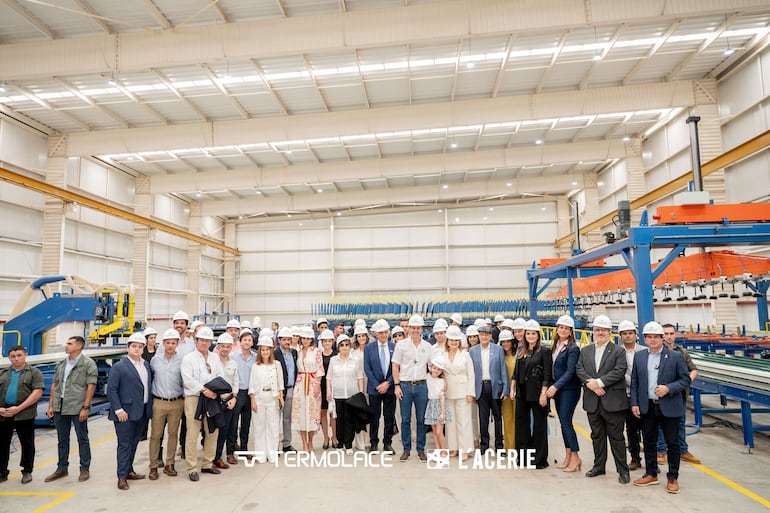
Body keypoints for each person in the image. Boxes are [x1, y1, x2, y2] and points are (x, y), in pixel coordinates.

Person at [631, 321, 691, 494]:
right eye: (649, 337)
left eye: (656, 337)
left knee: (672, 443)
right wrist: (635, 403)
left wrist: (668, 388)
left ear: (662, 338)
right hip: (647, 406)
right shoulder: (640, 356)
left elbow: (685, 380)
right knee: (649, 441)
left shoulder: (675, 357)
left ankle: (673, 477)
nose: (652, 340)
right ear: (644, 338)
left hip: (669, 406)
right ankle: (651, 473)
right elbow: (635, 382)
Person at [576, 315, 630, 484]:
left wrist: (599, 382)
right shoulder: (585, 351)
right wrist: (590, 384)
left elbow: (619, 370)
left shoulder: (618, 351)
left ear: (610, 332)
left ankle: (623, 471)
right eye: (597, 330)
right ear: (593, 331)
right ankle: (599, 466)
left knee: (617, 438)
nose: (600, 333)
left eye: (603, 330)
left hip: (613, 401)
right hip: (593, 402)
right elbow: (579, 369)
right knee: (597, 436)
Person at [45, 336, 98, 483]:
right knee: (62, 440)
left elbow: (91, 386)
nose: (66, 346)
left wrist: (85, 407)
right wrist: (51, 405)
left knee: (82, 438)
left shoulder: (88, 364)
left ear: (79, 346)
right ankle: (62, 468)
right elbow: (55, 385)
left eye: (69, 343)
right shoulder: (62, 364)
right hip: (60, 406)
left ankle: (84, 468)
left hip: (77, 406)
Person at [107, 332, 153, 490]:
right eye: (134, 346)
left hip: (141, 412)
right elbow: (112, 390)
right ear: (127, 348)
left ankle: (129, 470)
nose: (137, 349)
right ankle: (121, 477)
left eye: (140, 347)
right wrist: (119, 409)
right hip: (124, 413)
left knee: (133, 443)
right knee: (124, 445)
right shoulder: (119, 367)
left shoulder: (146, 365)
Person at [180, 326, 224, 481]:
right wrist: (204, 390)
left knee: (212, 431)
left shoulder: (214, 358)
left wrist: (213, 391)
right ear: (196, 340)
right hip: (194, 399)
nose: (204, 343)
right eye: (202, 340)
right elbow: (187, 379)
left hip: (212, 398)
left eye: (207, 340)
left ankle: (207, 464)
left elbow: (219, 375)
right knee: (192, 432)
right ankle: (192, 468)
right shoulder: (188, 359)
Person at [657, 323, 701, 465]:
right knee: (660, 423)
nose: (668, 337)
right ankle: (661, 451)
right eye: (665, 334)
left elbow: (693, 369)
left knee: (680, 423)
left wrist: (687, 380)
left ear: (675, 335)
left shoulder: (681, 352)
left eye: (671, 333)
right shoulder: (656, 352)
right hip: (662, 394)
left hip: (678, 395)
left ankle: (683, 450)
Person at [0, 346, 44, 484]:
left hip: (24, 413)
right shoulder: (2, 373)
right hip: (3, 413)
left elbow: (37, 393)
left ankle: (27, 471)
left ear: (25, 355)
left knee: (27, 443)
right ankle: (2, 471)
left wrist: (19, 408)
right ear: (9, 358)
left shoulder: (34, 372)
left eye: (19, 355)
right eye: (13, 356)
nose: (16, 358)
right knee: (1, 444)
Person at [512, 319, 552, 468]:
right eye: (528, 333)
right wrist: (513, 389)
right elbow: (516, 372)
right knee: (521, 425)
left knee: (539, 426)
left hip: (537, 393)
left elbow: (548, 375)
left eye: (533, 333)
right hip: (522, 392)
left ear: (538, 334)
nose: (530, 336)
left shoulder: (545, 351)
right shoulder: (522, 350)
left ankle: (539, 459)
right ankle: (523, 457)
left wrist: (544, 393)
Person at [392, 314, 432, 462]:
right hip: (405, 386)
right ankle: (406, 449)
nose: (415, 330)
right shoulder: (401, 345)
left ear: (422, 329)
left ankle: (421, 449)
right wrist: (397, 385)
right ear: (408, 328)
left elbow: (432, 367)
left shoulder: (427, 347)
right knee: (405, 419)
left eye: (418, 328)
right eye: (413, 327)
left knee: (422, 419)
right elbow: (395, 366)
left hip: (422, 386)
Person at [546, 315, 582, 472]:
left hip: (569, 390)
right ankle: (568, 456)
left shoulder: (573, 348)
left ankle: (575, 457)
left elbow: (570, 372)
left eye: (566, 328)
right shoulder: (556, 345)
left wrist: (555, 386)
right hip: (559, 390)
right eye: (560, 327)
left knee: (567, 423)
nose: (563, 330)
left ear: (571, 331)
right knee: (563, 423)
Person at [470, 324, 510, 453]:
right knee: (483, 418)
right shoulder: (473, 351)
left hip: (495, 387)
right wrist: (471, 391)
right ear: (478, 336)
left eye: (486, 334)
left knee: (498, 417)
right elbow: (470, 373)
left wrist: (505, 389)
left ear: (491, 336)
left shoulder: (498, 349)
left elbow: (503, 369)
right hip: (481, 387)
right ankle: (484, 444)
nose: (484, 337)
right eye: (481, 334)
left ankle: (499, 445)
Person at [326, 334, 364, 454]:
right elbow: (329, 378)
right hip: (338, 395)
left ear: (350, 346)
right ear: (338, 347)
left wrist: (361, 393)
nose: (344, 347)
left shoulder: (355, 360)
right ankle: (340, 444)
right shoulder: (333, 360)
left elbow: (360, 377)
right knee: (339, 420)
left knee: (350, 420)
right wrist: (329, 391)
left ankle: (348, 445)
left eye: (347, 344)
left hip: (352, 395)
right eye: (342, 345)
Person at [249, 336, 284, 463]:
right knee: (259, 427)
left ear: (271, 351)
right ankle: (260, 454)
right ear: (260, 351)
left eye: (267, 349)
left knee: (273, 426)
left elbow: (280, 383)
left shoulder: (277, 365)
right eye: (263, 350)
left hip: (272, 398)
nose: (265, 352)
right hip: (259, 398)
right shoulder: (255, 366)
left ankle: (272, 453)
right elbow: (251, 385)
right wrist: (253, 400)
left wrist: (281, 399)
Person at [364, 319, 396, 454]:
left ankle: (387, 443)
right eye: (381, 332)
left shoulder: (394, 347)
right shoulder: (369, 348)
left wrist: (388, 382)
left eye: (385, 332)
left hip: (390, 388)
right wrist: (378, 385)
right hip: (374, 388)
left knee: (389, 417)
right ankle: (374, 443)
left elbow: (397, 368)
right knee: (374, 417)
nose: (383, 335)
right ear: (376, 334)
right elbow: (367, 368)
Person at [442, 325, 475, 459]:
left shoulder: (465, 355)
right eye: (451, 340)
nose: (454, 342)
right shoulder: (442, 355)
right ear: (447, 341)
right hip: (449, 392)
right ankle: (454, 448)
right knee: (451, 422)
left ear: (459, 341)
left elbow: (471, 374)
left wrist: (470, 393)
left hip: (463, 392)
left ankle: (465, 449)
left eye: (456, 340)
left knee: (464, 421)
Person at [618, 320, 645, 471]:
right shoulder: (617, 352)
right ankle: (635, 458)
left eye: (630, 333)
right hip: (626, 396)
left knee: (648, 429)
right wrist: (633, 384)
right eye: (625, 334)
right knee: (631, 429)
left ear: (636, 335)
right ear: (620, 336)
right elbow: (618, 373)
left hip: (644, 395)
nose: (628, 336)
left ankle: (651, 459)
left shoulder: (644, 351)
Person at [292, 326, 324, 451]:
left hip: (312, 384)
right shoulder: (297, 351)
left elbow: (320, 369)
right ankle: (304, 443)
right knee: (300, 414)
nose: (305, 340)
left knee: (312, 414)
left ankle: (310, 441)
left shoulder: (316, 351)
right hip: (300, 385)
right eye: (303, 338)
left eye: (308, 338)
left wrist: (317, 385)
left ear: (312, 339)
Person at [213, 333, 238, 469]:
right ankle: (212, 457)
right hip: (215, 401)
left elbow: (236, 381)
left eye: (228, 347)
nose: (225, 349)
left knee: (225, 430)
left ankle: (218, 457)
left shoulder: (233, 363)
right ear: (219, 346)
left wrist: (234, 397)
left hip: (228, 401)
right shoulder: (212, 361)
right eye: (223, 346)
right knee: (212, 431)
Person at [229, 328, 256, 456]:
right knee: (233, 423)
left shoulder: (256, 357)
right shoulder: (233, 356)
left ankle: (244, 449)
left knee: (246, 423)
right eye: (244, 340)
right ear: (240, 342)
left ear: (252, 342)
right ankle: (231, 449)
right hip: (237, 393)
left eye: (249, 340)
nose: (247, 342)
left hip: (249, 393)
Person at [274, 327, 298, 452]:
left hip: (290, 389)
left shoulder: (294, 353)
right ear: (279, 340)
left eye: (289, 339)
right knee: (275, 418)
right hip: (278, 391)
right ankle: (275, 445)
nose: (287, 342)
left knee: (287, 418)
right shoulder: (275, 354)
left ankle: (287, 444)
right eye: (284, 339)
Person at [425, 359, 451, 455]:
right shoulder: (427, 377)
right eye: (434, 368)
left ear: (441, 372)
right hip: (431, 405)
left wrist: (443, 412)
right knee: (435, 431)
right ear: (430, 368)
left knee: (440, 431)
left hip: (439, 406)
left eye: (438, 370)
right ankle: (438, 450)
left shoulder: (441, 381)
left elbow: (442, 397)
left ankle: (444, 452)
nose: (436, 371)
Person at [318, 330, 337, 449]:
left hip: (334, 387)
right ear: (322, 342)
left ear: (332, 342)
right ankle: (326, 437)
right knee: (323, 413)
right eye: (325, 341)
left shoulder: (336, 355)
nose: (327, 343)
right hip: (321, 387)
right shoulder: (318, 355)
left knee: (333, 414)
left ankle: (335, 437)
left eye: (329, 341)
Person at [498, 330, 516, 450]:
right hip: (505, 392)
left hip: (516, 392)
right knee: (507, 419)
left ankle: (517, 446)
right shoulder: (500, 357)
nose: (506, 344)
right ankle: (509, 448)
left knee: (517, 419)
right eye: (503, 342)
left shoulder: (518, 355)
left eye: (508, 341)